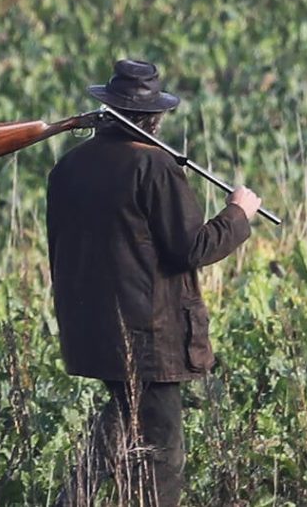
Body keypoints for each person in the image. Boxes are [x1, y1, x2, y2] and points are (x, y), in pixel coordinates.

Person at [47, 59, 261, 506]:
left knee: (121, 419)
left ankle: (72, 501)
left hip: (93, 329)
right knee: (163, 450)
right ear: (154, 117)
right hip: (149, 334)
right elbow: (192, 249)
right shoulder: (155, 168)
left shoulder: (68, 167)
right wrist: (238, 213)